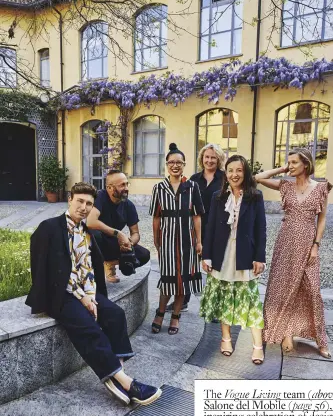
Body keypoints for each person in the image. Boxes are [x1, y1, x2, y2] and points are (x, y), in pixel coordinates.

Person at [26, 182, 162, 406]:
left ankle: (116, 374)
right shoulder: (48, 227)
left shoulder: (86, 232)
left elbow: (88, 268)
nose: (84, 207)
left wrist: (91, 294)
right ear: (70, 199)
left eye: (89, 203)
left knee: (115, 314)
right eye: (79, 201)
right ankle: (127, 383)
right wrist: (82, 297)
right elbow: (52, 271)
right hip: (57, 294)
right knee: (89, 328)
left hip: (83, 291)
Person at [256, 148, 331, 359]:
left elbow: (322, 218)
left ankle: (320, 340)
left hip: (307, 242)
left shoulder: (321, 188)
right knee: (282, 286)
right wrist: (282, 168)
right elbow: (258, 178)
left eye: (294, 162)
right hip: (285, 241)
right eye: (288, 162)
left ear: (305, 164)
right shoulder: (285, 185)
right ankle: (284, 333)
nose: (290, 166)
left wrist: (316, 245)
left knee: (313, 290)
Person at [200, 155, 266, 364]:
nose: (234, 174)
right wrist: (206, 256)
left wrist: (260, 257)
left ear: (245, 172)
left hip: (245, 255)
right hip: (222, 255)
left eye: (238, 170)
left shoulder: (255, 196)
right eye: (230, 170)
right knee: (223, 298)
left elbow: (261, 229)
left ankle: (257, 346)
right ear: (225, 173)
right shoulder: (218, 197)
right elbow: (209, 228)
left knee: (252, 301)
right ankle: (226, 338)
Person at [150, 143, 205, 335]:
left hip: (188, 242)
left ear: (184, 165)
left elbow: (197, 216)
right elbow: (156, 217)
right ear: (166, 165)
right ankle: (160, 313)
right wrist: (156, 240)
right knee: (167, 279)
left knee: (183, 280)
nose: (175, 165)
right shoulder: (158, 188)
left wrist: (199, 241)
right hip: (167, 240)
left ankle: (175, 316)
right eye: (171, 162)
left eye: (179, 162)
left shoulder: (192, 187)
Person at [164, 143, 226, 313]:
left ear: (219, 159)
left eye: (213, 157)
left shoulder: (225, 178)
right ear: (202, 158)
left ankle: (215, 305)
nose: (209, 160)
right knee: (188, 266)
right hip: (194, 227)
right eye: (206, 157)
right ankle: (182, 301)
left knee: (214, 268)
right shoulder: (193, 179)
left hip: (217, 229)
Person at [87, 170, 150, 283]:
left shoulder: (128, 205)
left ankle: (110, 263)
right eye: (122, 185)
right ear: (109, 188)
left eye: (127, 184)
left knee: (144, 254)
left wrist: (129, 243)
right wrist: (119, 233)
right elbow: (91, 222)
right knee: (95, 234)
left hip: (114, 243)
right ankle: (94, 268)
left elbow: (135, 233)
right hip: (94, 243)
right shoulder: (100, 196)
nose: (126, 188)